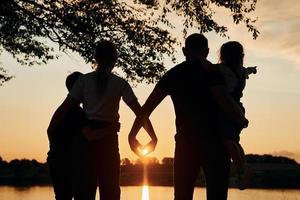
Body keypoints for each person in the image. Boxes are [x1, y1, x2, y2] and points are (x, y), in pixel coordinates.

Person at [128, 33, 248, 200]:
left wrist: (133, 134)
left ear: (184, 51)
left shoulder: (173, 75)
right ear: (206, 52)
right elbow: (226, 103)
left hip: (186, 144)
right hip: (215, 143)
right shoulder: (213, 73)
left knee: (182, 196)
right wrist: (241, 118)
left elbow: (147, 108)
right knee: (217, 195)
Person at [47, 41, 157, 200]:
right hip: (108, 138)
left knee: (84, 192)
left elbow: (63, 108)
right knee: (110, 191)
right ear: (115, 60)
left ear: (95, 58)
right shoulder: (120, 83)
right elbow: (140, 113)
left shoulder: (83, 81)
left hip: (85, 141)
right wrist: (152, 136)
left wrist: (51, 130)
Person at [47, 71, 87, 200]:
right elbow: (89, 135)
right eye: (85, 86)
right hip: (68, 162)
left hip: (56, 159)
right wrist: (112, 128)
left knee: (62, 196)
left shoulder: (61, 109)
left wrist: (54, 148)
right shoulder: (78, 113)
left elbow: (49, 130)